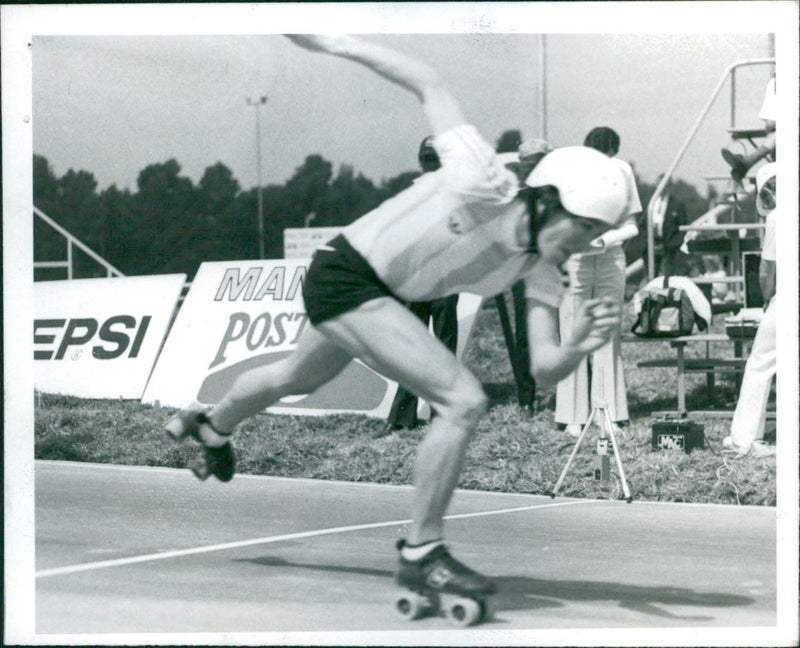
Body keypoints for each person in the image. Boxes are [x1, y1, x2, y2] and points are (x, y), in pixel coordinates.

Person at [165, 34, 628, 598]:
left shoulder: (544, 265)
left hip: (381, 293)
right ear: (550, 200)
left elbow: (546, 369)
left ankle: (211, 427)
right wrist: (333, 41)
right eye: (585, 230)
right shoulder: (483, 178)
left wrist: (579, 341)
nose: (586, 246)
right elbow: (427, 79)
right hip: (347, 273)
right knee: (463, 400)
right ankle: (422, 552)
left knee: (297, 376)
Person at [555, 127, 641, 436]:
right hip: (575, 260)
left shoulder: (623, 171)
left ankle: (608, 413)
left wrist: (606, 240)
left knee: (606, 333)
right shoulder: (569, 171)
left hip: (610, 258)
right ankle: (572, 417)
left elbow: (632, 224)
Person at [379, 137, 460, 437]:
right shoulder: (411, 193)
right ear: (420, 161)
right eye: (426, 159)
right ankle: (402, 416)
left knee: (443, 348)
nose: (430, 164)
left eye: (435, 159)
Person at [723, 162, 777, 456]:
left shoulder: (777, 218)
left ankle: (744, 438)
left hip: (785, 301)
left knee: (758, 365)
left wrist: (767, 297)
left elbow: (767, 271)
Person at [721, 75, 776, 182]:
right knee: (780, 133)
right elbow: (770, 124)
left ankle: (746, 163)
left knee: (779, 133)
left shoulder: (775, 83)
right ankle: (746, 163)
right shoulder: (776, 83)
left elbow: (770, 124)